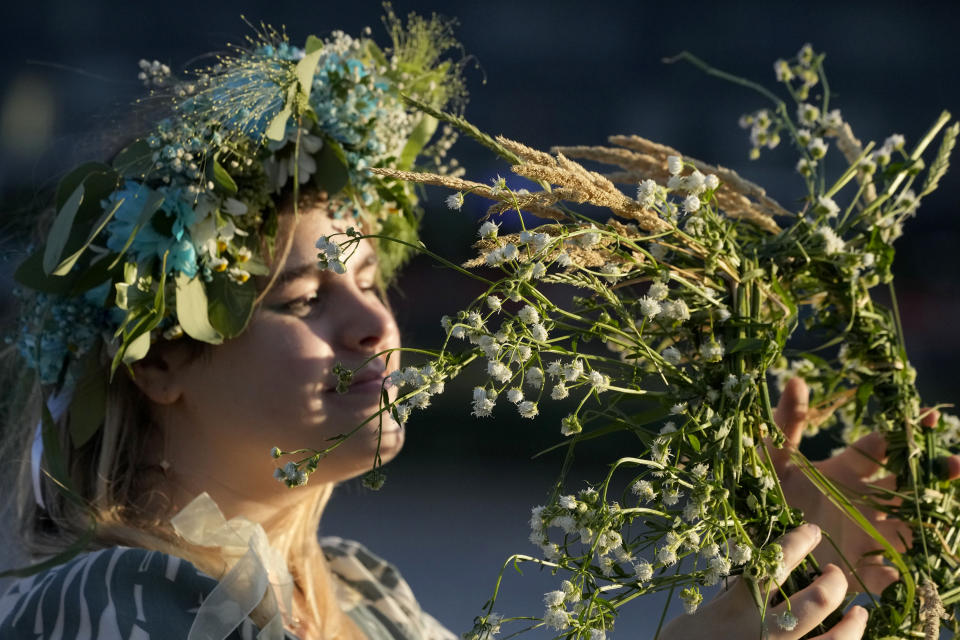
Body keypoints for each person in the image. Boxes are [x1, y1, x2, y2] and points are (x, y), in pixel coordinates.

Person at [0, 13, 950, 640]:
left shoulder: (367, 600)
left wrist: (778, 576)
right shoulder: (118, 601)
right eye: (303, 300)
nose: (373, 323)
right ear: (164, 359)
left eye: (369, 279)